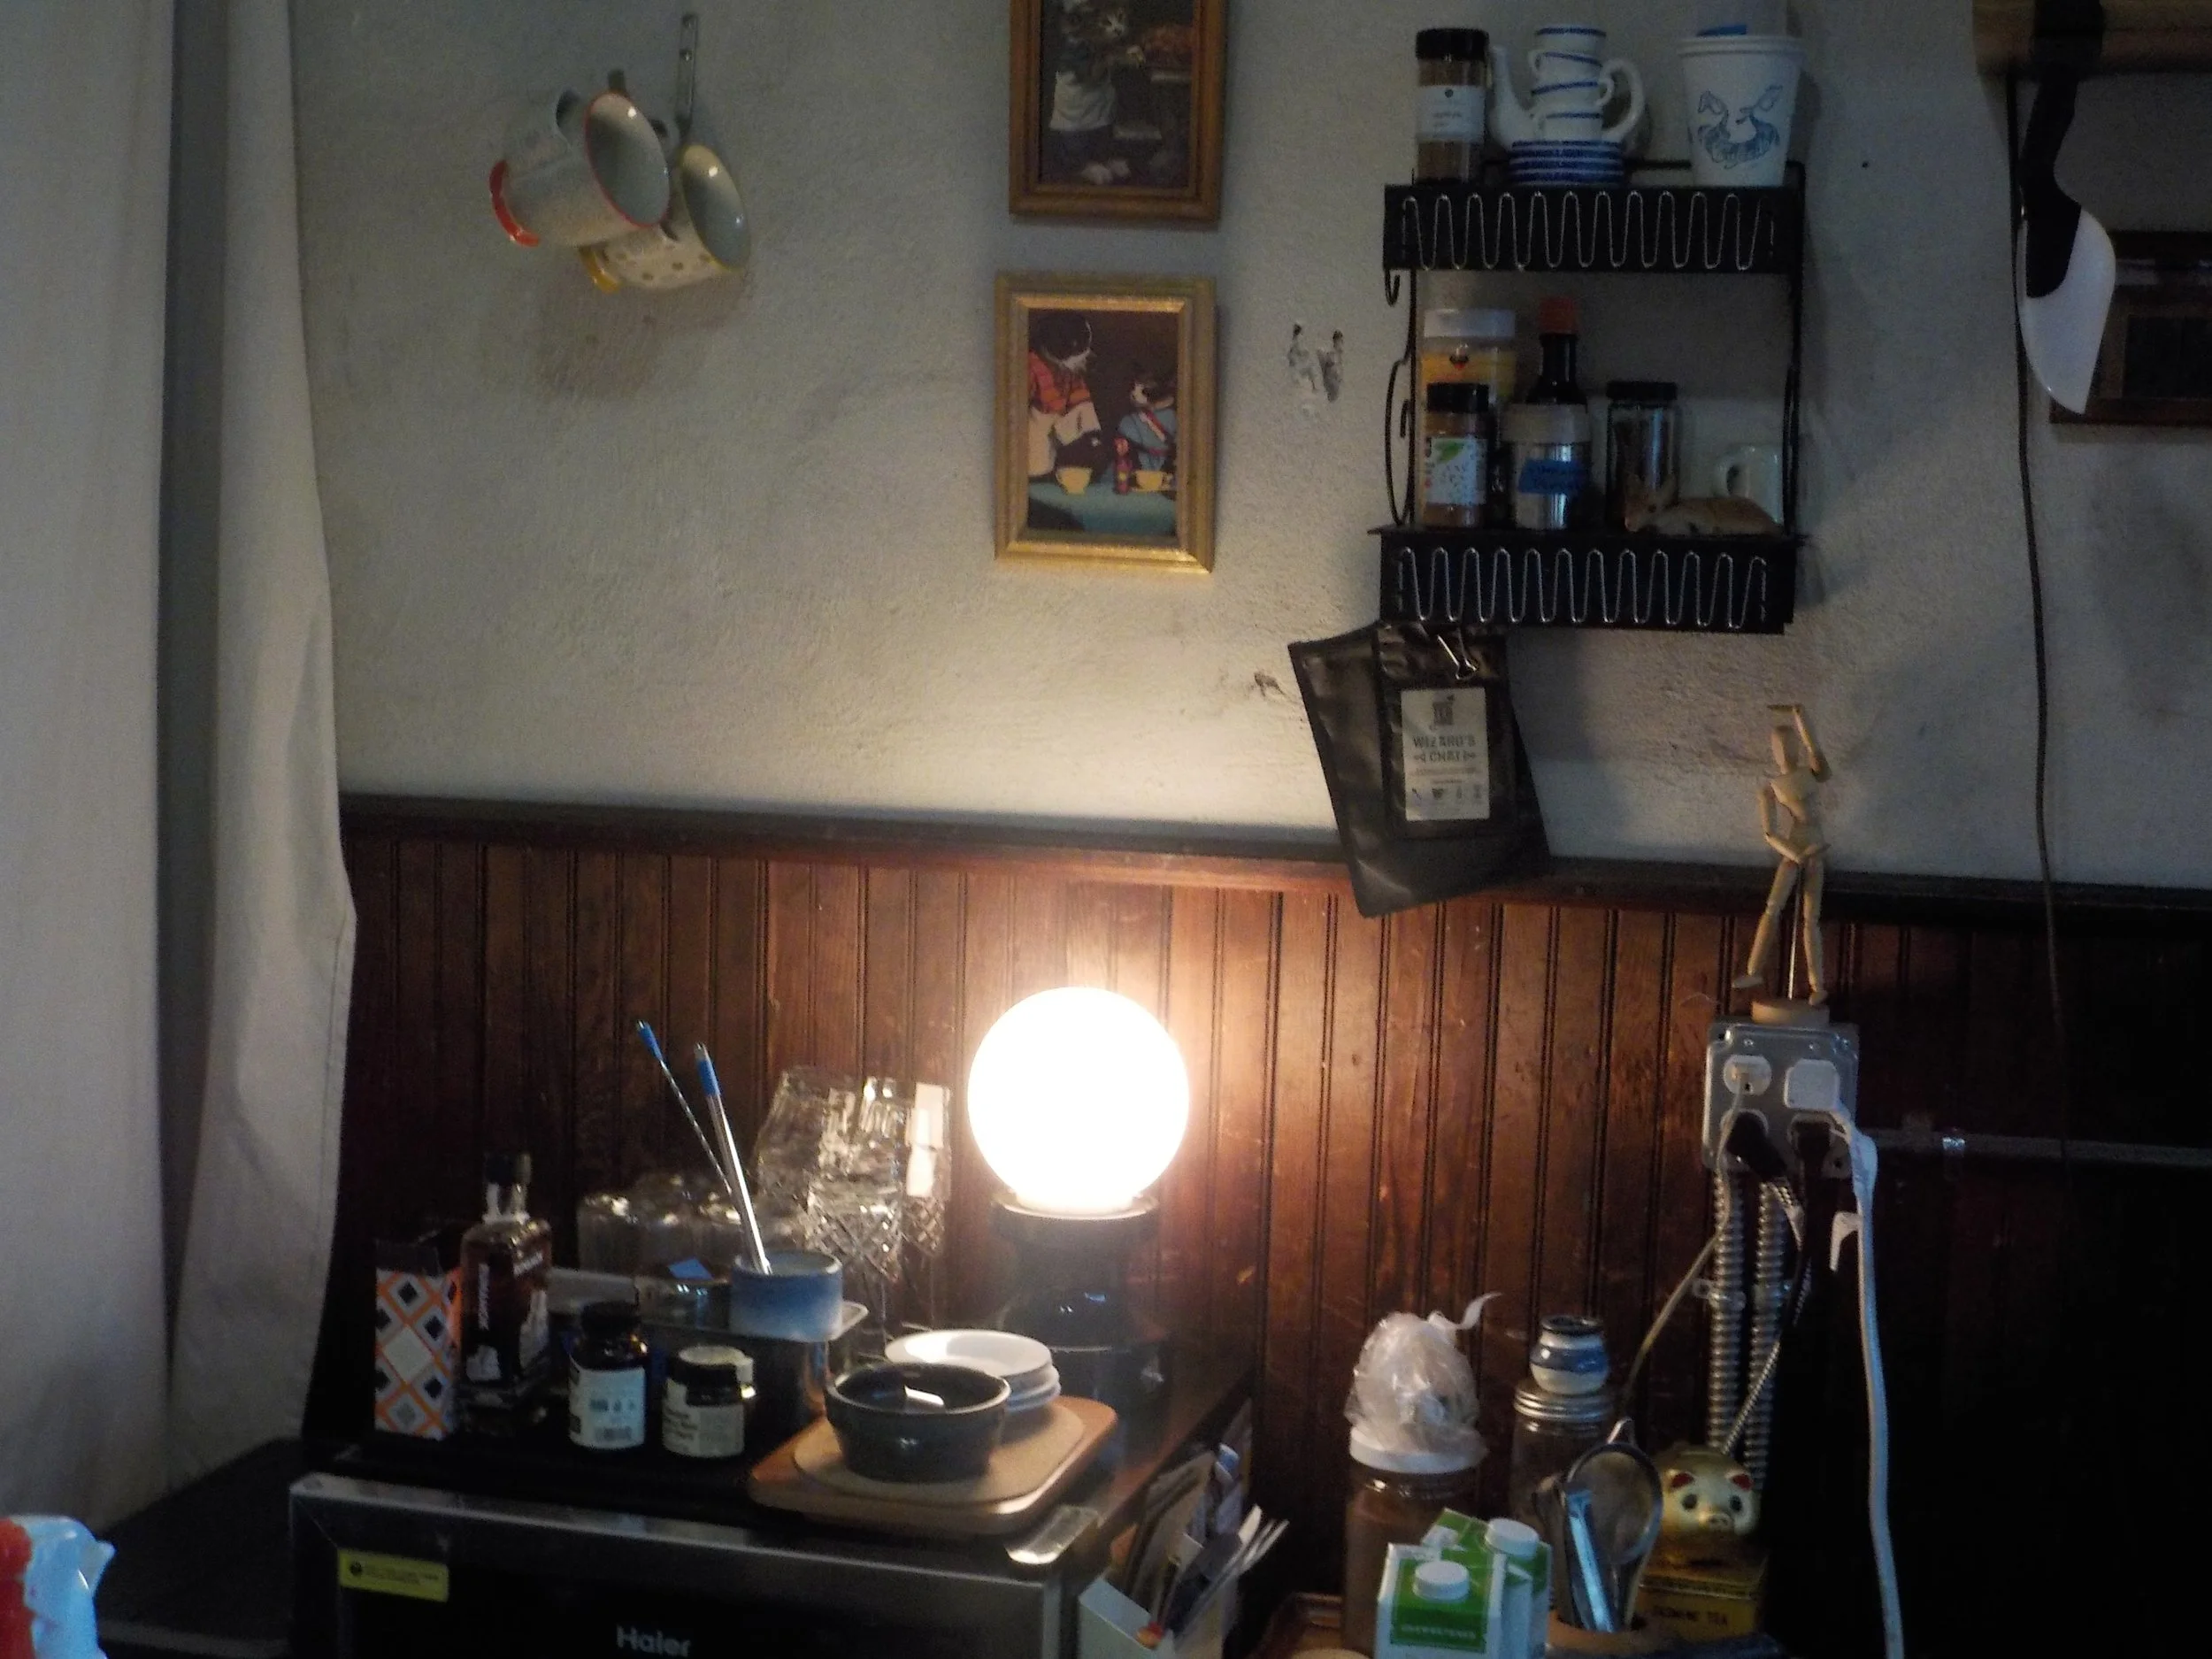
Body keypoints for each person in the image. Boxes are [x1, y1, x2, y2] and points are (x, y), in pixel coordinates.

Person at [1734, 703, 1832, 1005]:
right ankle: (1754, 970)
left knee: (1810, 917)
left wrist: (1800, 716)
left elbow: (1815, 748)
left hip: (1815, 846)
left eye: (1789, 744)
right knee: (1772, 907)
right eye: (1779, 746)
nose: (1784, 751)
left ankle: (1817, 985)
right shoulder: (1771, 789)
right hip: (1794, 847)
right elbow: (1770, 833)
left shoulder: (1812, 773)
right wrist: (1793, 853)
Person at [1027, 313, 1105, 480]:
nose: (1084, 357)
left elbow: (1080, 397)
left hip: (1060, 424)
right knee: (1037, 468)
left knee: (1085, 408)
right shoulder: (1032, 365)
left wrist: (1092, 435)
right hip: (1037, 424)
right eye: (1080, 350)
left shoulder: (1071, 369)